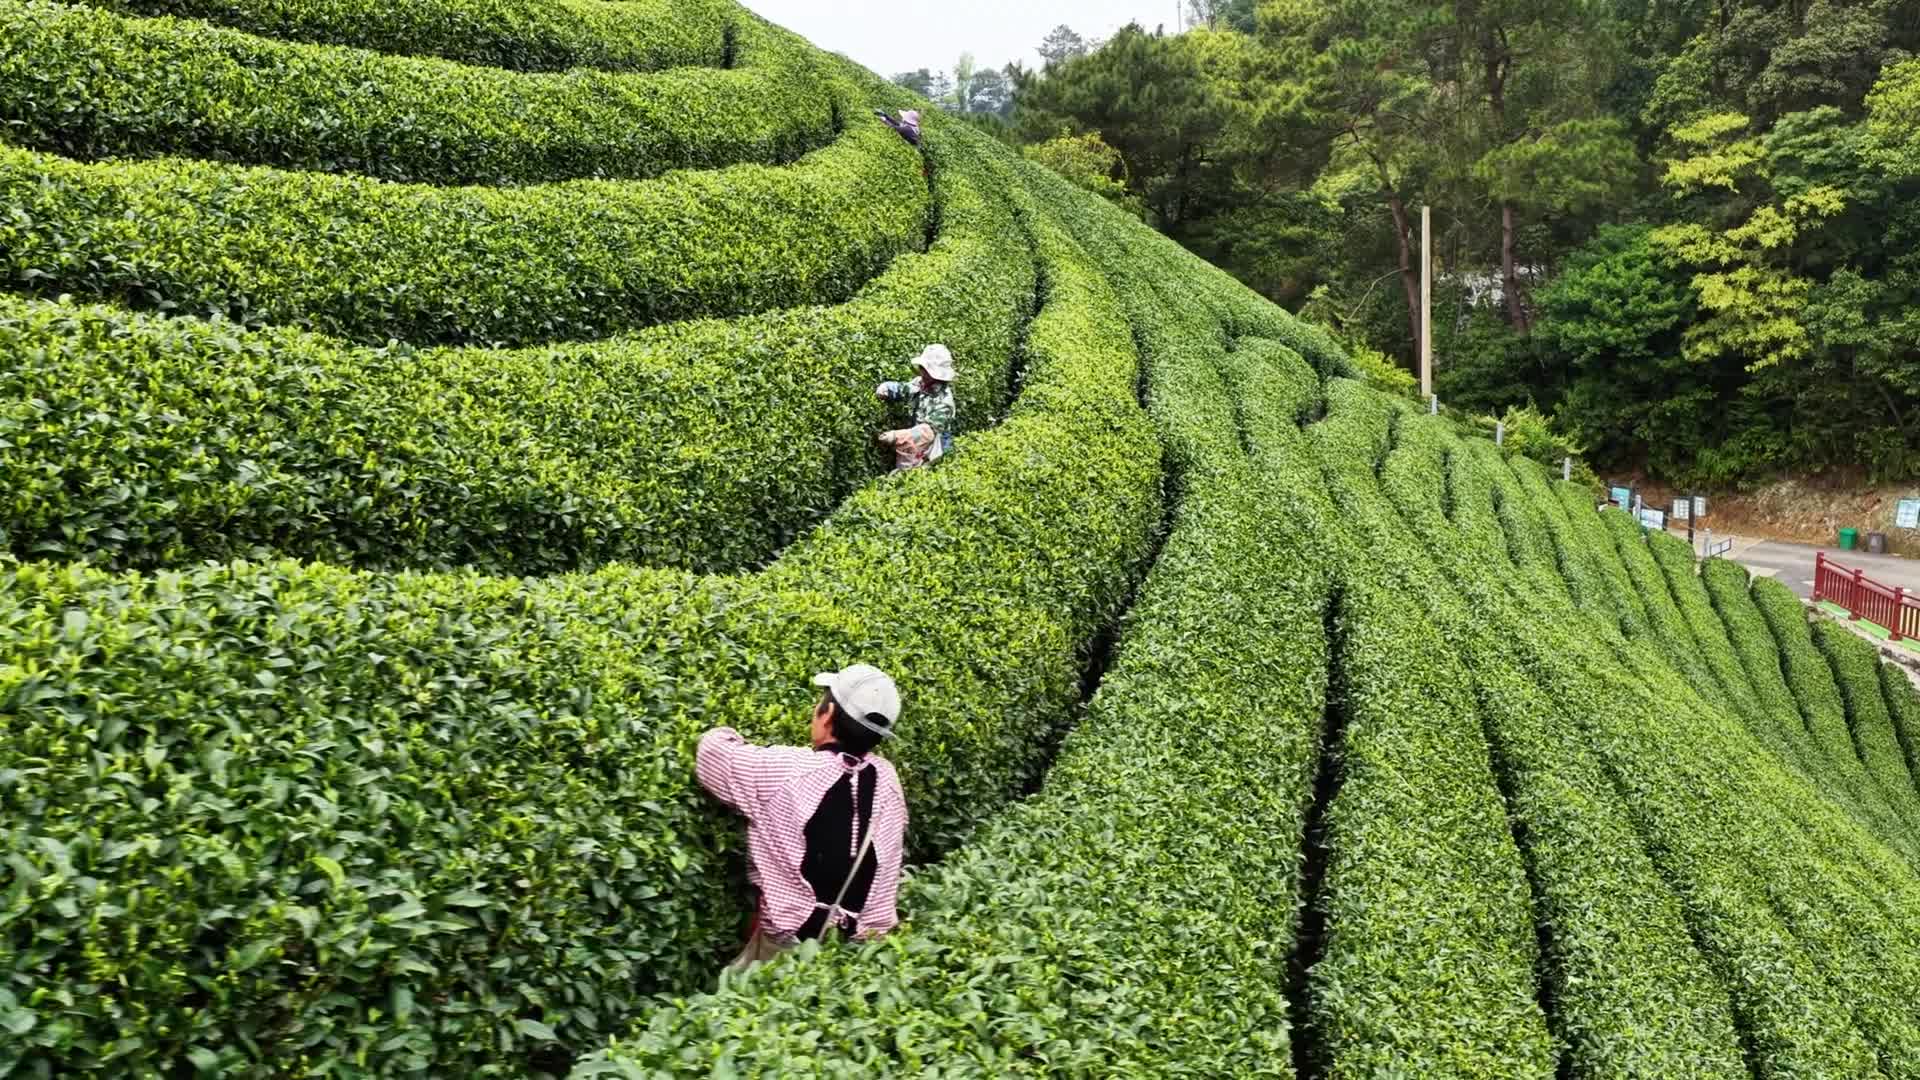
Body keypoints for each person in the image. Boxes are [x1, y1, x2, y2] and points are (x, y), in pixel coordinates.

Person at [695, 664, 910, 972]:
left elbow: (711, 755)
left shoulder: (787, 770)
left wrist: (724, 730)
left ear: (828, 714)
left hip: (788, 949)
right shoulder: (888, 781)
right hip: (862, 956)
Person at [875, 344, 957, 470]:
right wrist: (887, 389)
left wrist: (896, 436)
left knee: (917, 474)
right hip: (914, 443)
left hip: (933, 450)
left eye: (927, 370)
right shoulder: (921, 383)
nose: (923, 372)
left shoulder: (944, 403)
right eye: (922, 368)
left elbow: (927, 432)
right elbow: (905, 389)